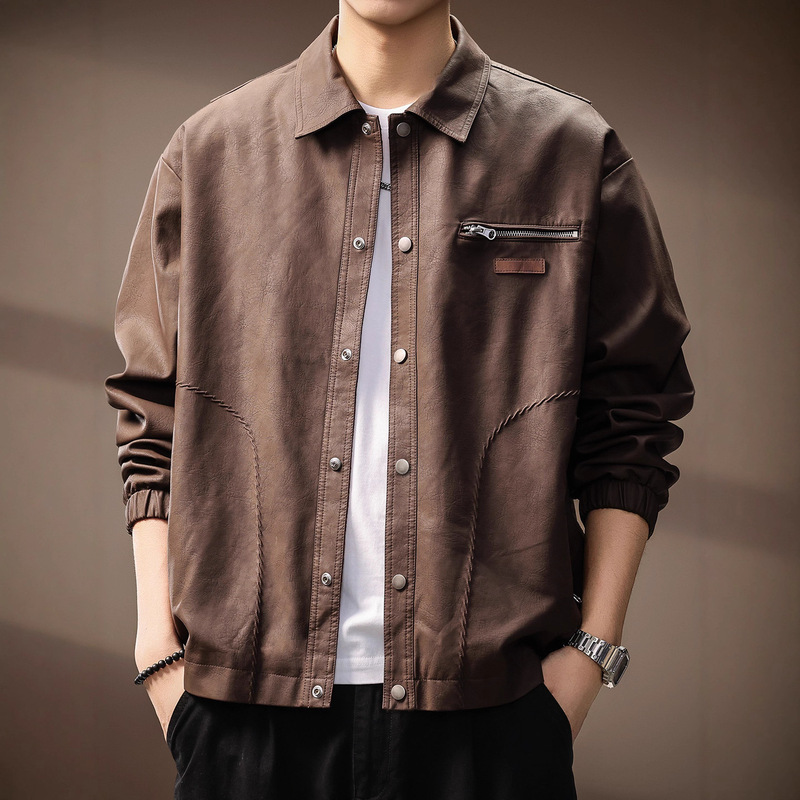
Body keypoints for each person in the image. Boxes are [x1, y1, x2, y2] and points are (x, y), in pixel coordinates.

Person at [104, 1, 695, 798]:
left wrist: (593, 651)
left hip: (491, 714)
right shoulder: (212, 151)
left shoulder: (570, 150)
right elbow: (151, 411)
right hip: (244, 708)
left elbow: (634, 412)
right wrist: (156, 650)